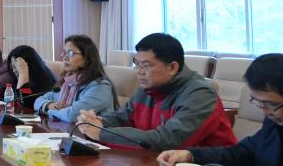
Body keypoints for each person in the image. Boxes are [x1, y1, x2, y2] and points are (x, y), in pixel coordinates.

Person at [77, 32, 235, 151]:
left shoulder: (200, 94)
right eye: (137, 64)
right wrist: (95, 122)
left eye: (146, 65)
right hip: (157, 164)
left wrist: (102, 133)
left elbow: (168, 140)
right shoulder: (148, 88)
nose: (138, 71)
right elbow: (121, 117)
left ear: (172, 67)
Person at [34, 34, 117, 123]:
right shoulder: (67, 83)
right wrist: (49, 105)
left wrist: (49, 111)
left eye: (70, 53)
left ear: (87, 58)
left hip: (92, 131)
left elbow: (72, 115)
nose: (65, 57)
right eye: (64, 52)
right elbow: (38, 101)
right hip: (67, 129)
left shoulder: (100, 87)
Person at [6, 44, 58, 110]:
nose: (14, 71)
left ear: (29, 65)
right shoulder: (16, 79)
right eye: (12, 68)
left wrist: (23, 73)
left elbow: (26, 105)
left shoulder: (45, 82)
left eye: (17, 67)